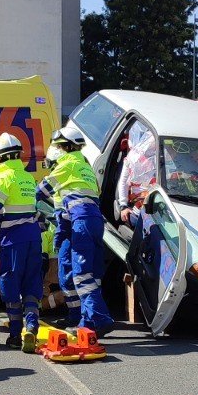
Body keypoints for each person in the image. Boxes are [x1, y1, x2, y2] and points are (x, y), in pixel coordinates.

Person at [40, 125, 114, 335]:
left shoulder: (67, 164)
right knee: (80, 274)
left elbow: (42, 189)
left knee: (82, 276)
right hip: (86, 221)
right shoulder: (85, 168)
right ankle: (82, 320)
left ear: (64, 147)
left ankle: (98, 319)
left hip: (81, 221)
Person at [0, 133, 45, 351]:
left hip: (13, 241)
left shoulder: (2, 178)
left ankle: (14, 335)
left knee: (10, 283)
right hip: (33, 238)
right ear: (19, 154)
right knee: (32, 284)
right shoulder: (28, 178)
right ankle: (31, 327)